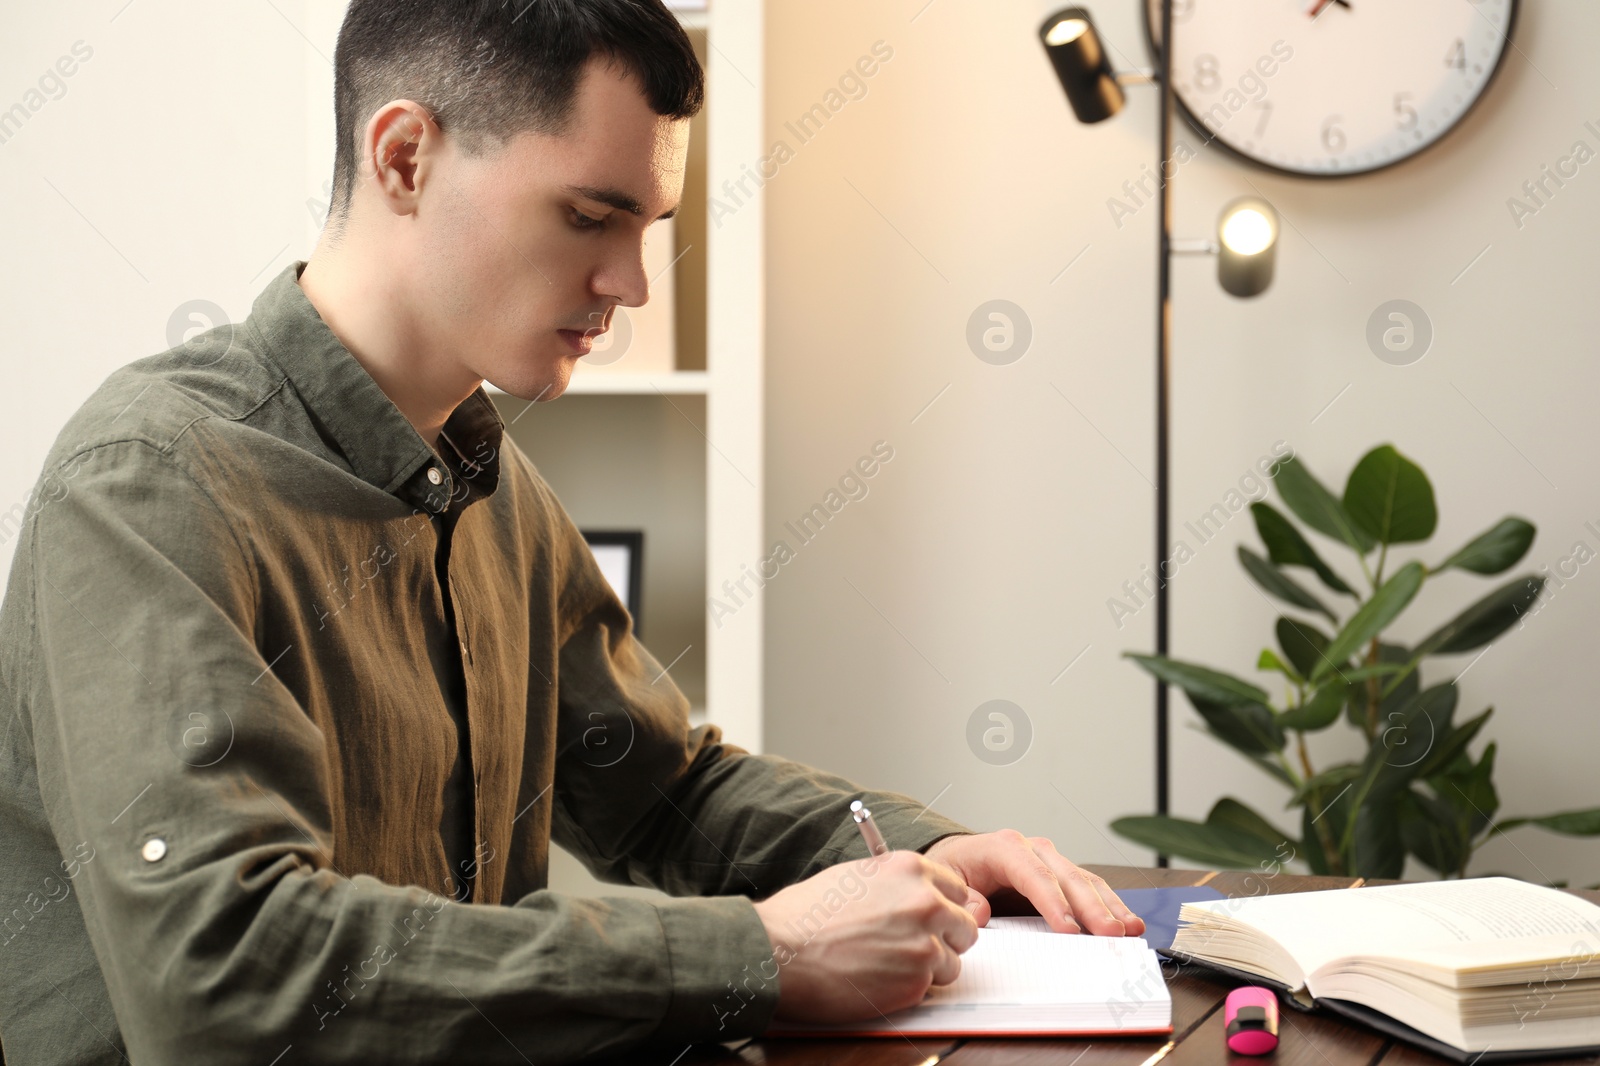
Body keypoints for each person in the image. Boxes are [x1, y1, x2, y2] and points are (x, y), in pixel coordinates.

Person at [0, 1, 1144, 1062]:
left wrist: (913, 852)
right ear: (405, 158)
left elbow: (660, 789)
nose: (632, 283)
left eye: (646, 225)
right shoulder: (146, 486)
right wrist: (759, 955)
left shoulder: (491, 484)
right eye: (590, 216)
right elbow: (223, 975)